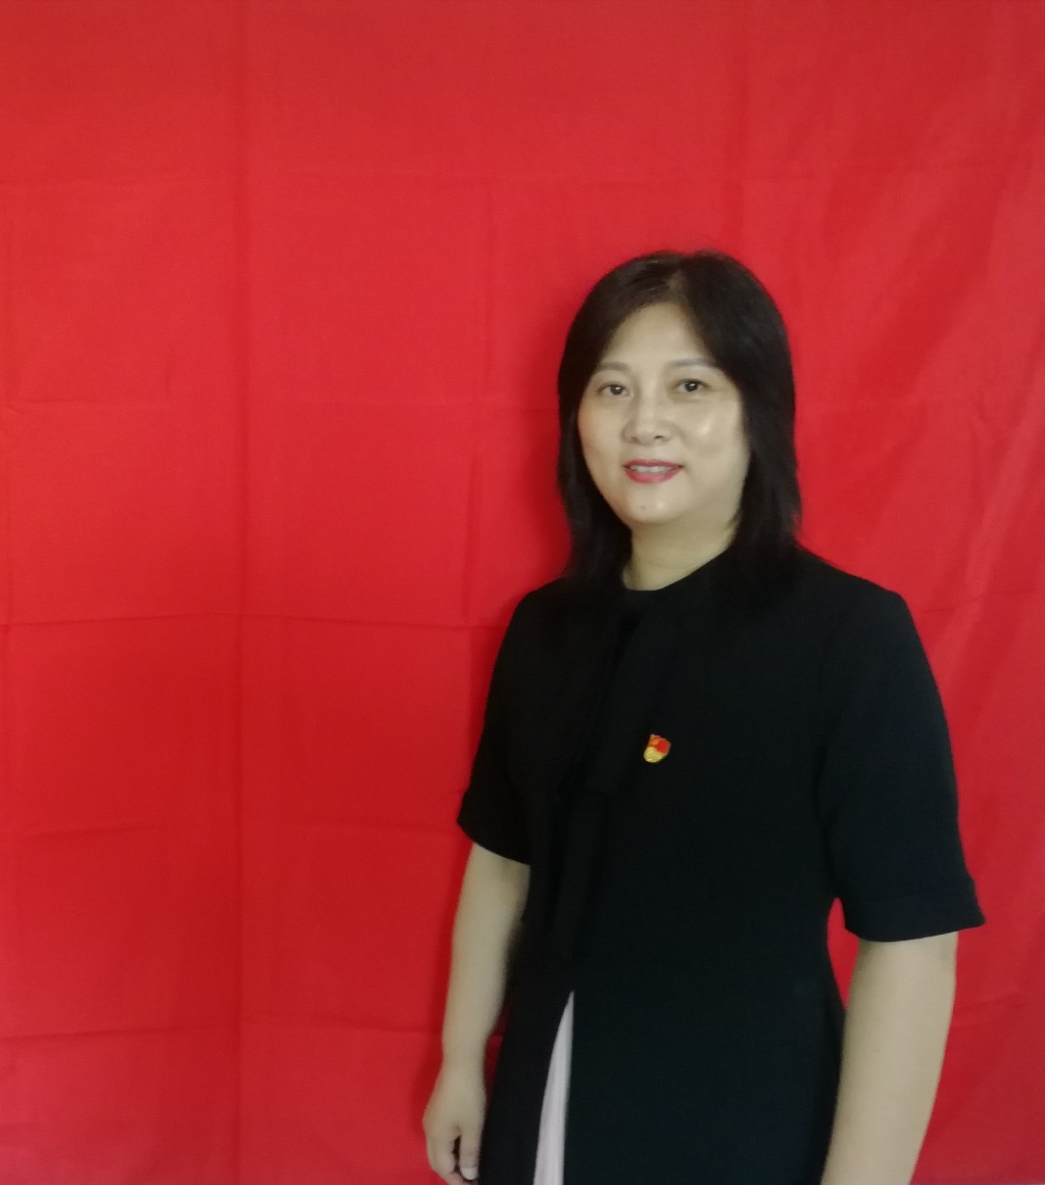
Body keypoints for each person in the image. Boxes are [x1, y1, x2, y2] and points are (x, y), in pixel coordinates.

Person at [420, 249, 985, 1185]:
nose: (645, 420)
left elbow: (913, 946)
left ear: (760, 410)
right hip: (539, 1102)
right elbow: (502, 860)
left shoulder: (848, 637)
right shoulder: (545, 631)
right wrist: (458, 1059)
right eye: (613, 388)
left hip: (744, 1125)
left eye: (690, 385)